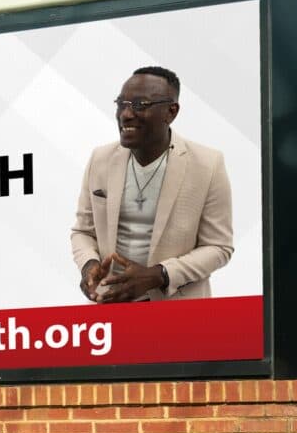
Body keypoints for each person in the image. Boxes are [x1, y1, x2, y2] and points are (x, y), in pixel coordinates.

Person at [69, 64, 233, 303]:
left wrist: (159, 275)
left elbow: (219, 247)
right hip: (110, 308)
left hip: (179, 310)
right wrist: (89, 266)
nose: (126, 114)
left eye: (140, 105)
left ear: (171, 112)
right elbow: (83, 231)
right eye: (121, 104)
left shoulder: (208, 164)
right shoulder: (100, 159)